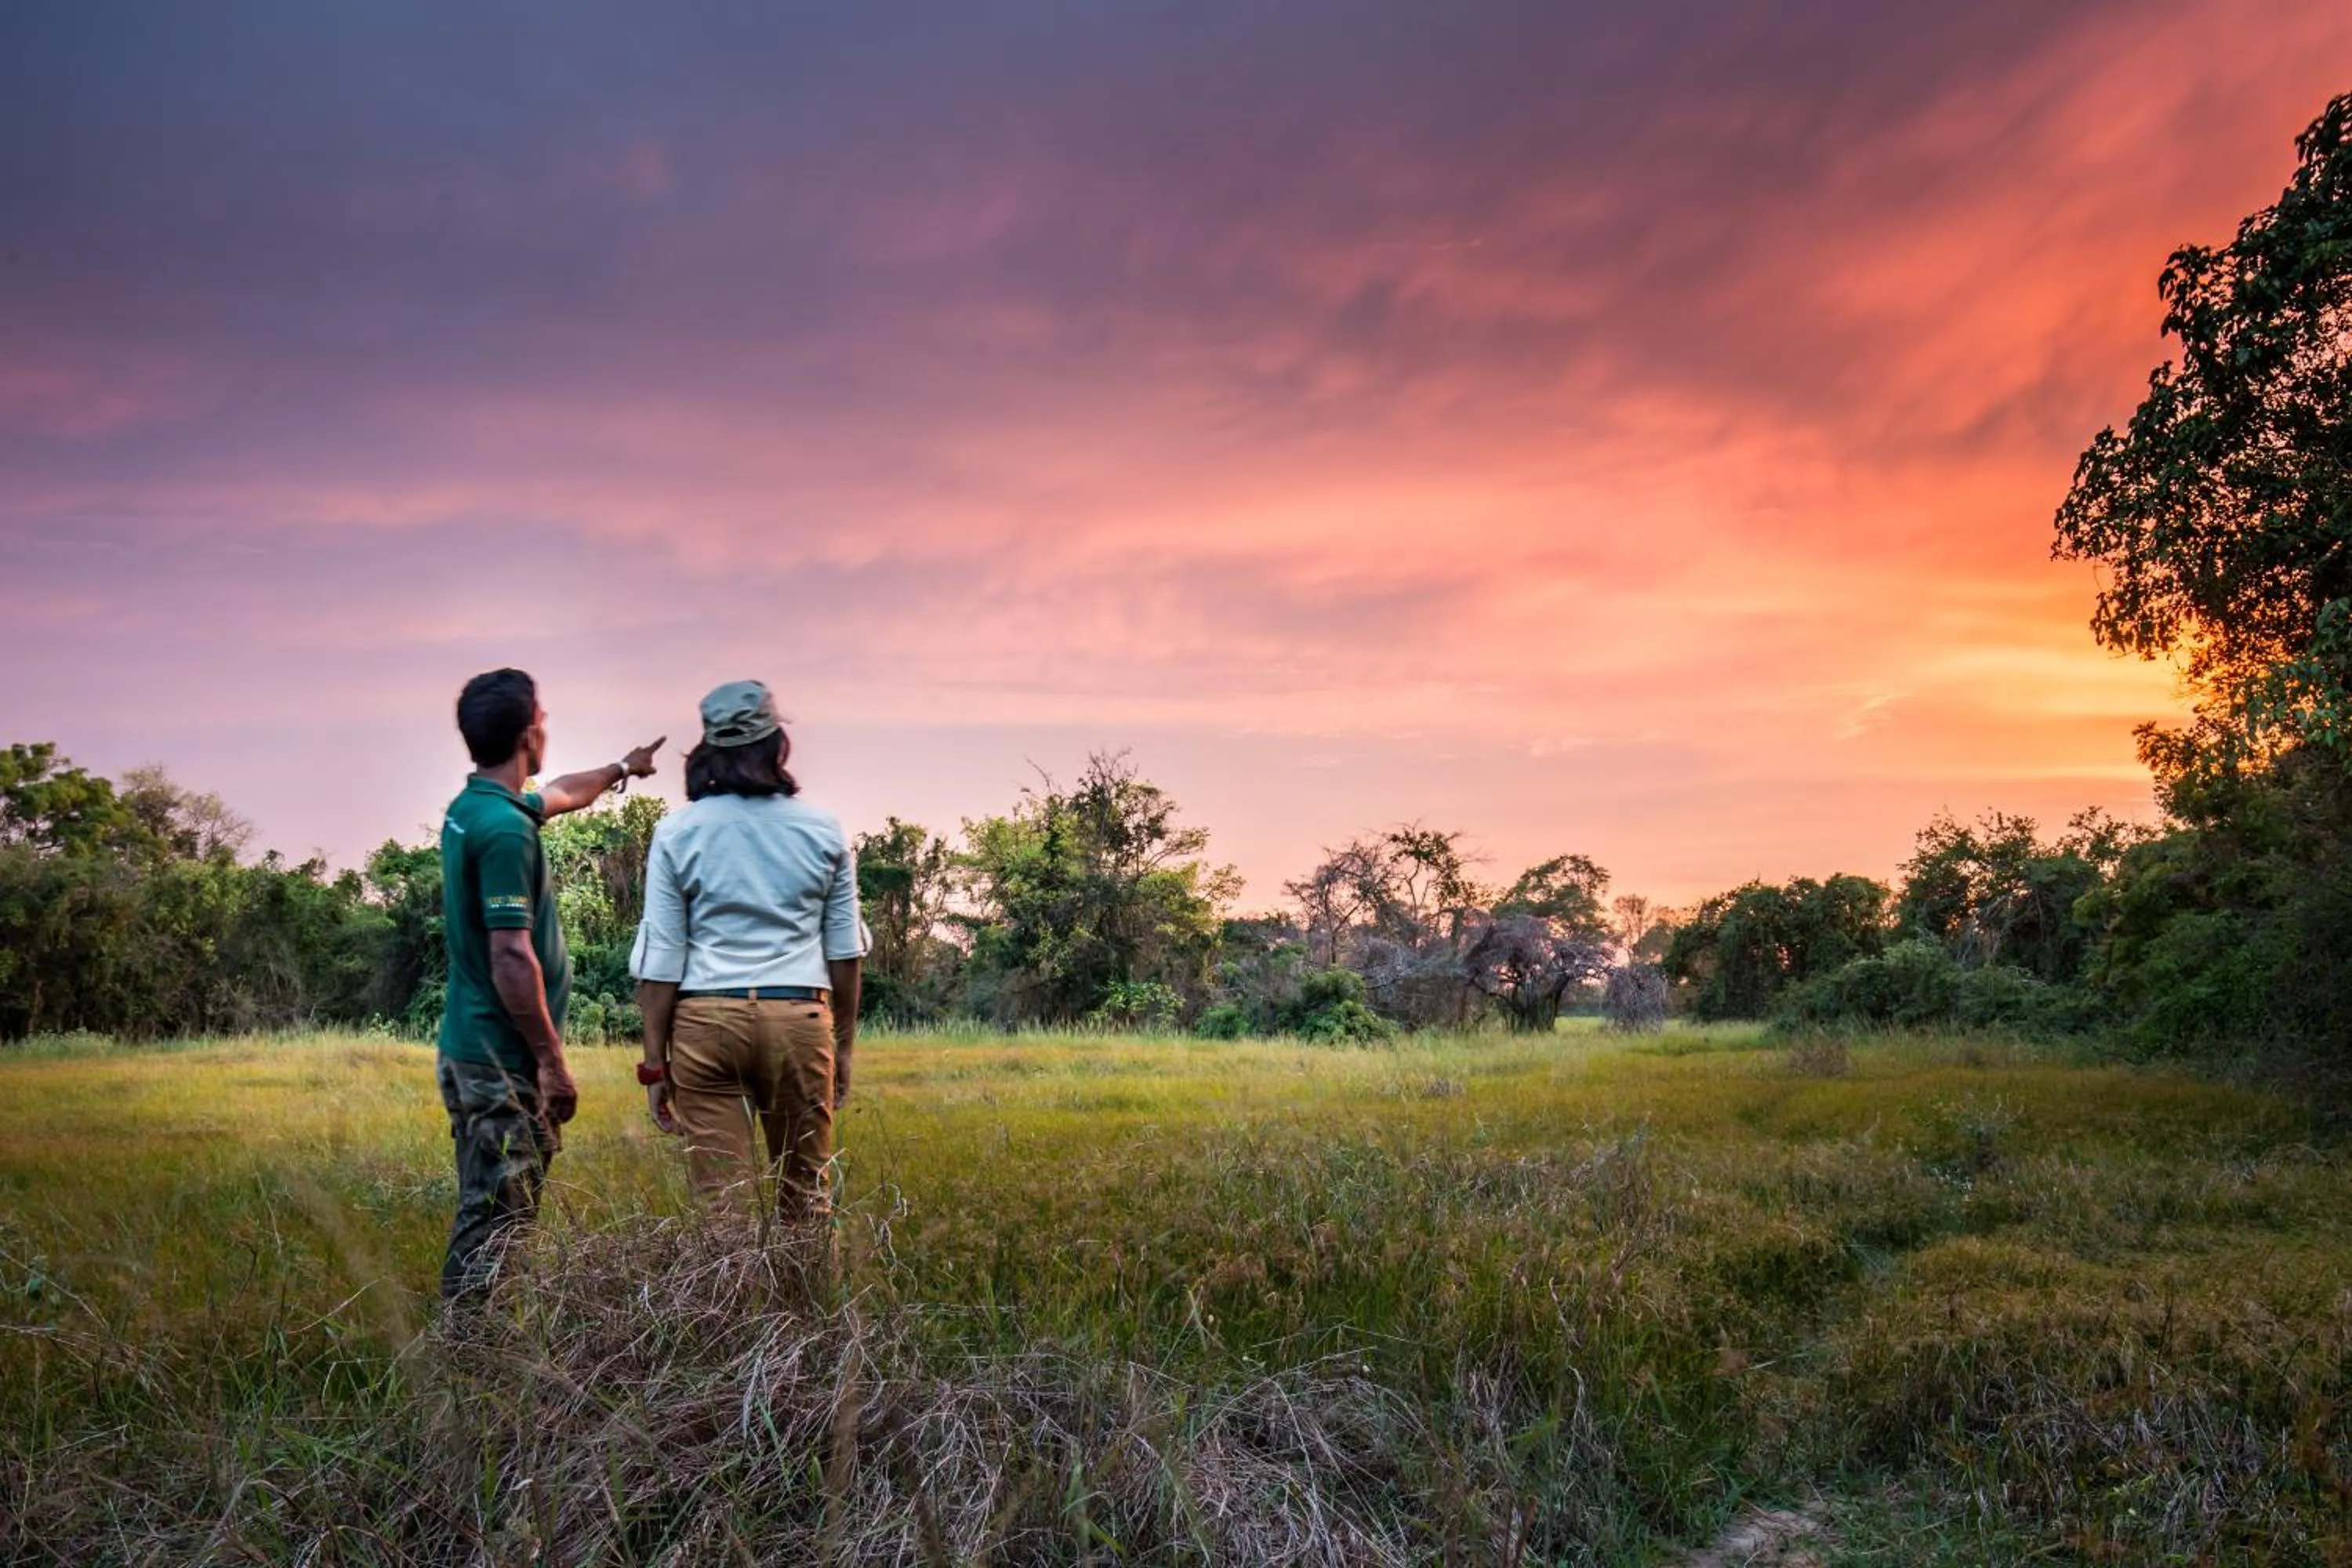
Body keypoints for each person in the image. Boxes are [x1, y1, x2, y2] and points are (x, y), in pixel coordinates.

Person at [437, 667, 663, 1301]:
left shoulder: (477, 808)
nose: (547, 726)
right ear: (528, 732)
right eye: (543, 716)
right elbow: (512, 957)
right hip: (500, 1059)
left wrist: (625, 767)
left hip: (470, 1047)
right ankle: (473, 1368)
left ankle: (476, 1355)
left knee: (490, 1209)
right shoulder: (505, 831)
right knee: (495, 1223)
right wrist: (552, 1064)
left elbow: (562, 792)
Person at [630, 681, 865, 1221]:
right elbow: (845, 954)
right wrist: (843, 1047)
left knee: (723, 1213)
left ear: (709, 747)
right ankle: (810, 1308)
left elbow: (662, 960)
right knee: (807, 1202)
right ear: (776, 742)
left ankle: (733, 1308)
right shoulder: (823, 830)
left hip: (706, 1023)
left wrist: (653, 1066)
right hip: (800, 1019)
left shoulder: (677, 831)